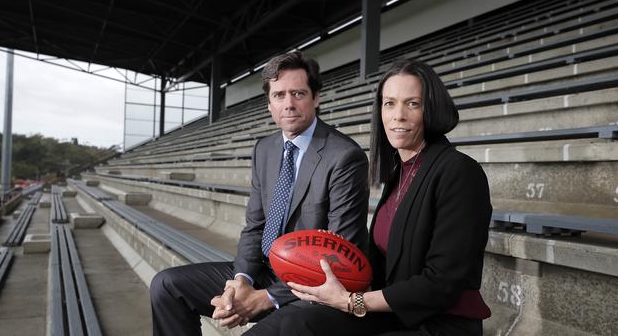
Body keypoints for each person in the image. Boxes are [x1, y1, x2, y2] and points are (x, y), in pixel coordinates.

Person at [149, 51, 370, 336]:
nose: (288, 104)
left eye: (298, 93)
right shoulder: (264, 149)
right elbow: (255, 227)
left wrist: (265, 297)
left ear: (316, 98)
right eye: (279, 95)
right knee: (167, 286)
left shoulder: (344, 156)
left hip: (315, 286)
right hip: (265, 271)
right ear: (269, 105)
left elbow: (342, 257)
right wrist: (241, 281)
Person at [284, 59, 493, 336]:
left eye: (413, 104)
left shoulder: (460, 172)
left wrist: (350, 302)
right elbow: (385, 262)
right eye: (389, 103)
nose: (398, 116)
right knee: (297, 324)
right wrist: (333, 259)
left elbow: (442, 282)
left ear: (432, 109)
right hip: (395, 315)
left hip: (440, 324)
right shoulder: (400, 172)